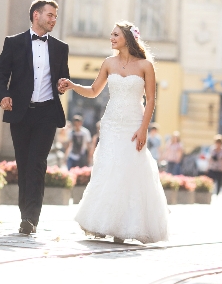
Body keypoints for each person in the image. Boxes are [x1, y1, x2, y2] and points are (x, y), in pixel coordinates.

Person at [59, 21, 168, 244]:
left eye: (115, 34)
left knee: (130, 169)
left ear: (127, 38)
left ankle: (125, 226)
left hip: (133, 124)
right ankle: (104, 222)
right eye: (111, 34)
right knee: (108, 168)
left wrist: (143, 129)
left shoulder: (146, 66)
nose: (111, 37)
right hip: (110, 124)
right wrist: (72, 85)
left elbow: (151, 101)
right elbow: (92, 91)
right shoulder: (108, 63)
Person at [0, 0, 70, 235]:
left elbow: (62, 77)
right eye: (50, 15)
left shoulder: (60, 47)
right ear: (36, 15)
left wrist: (62, 84)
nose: (53, 20)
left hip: (47, 113)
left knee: (37, 164)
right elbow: (0, 73)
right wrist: (3, 96)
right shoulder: (14, 43)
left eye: (55, 16)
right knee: (24, 165)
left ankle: (30, 218)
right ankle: (24, 214)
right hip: (21, 114)